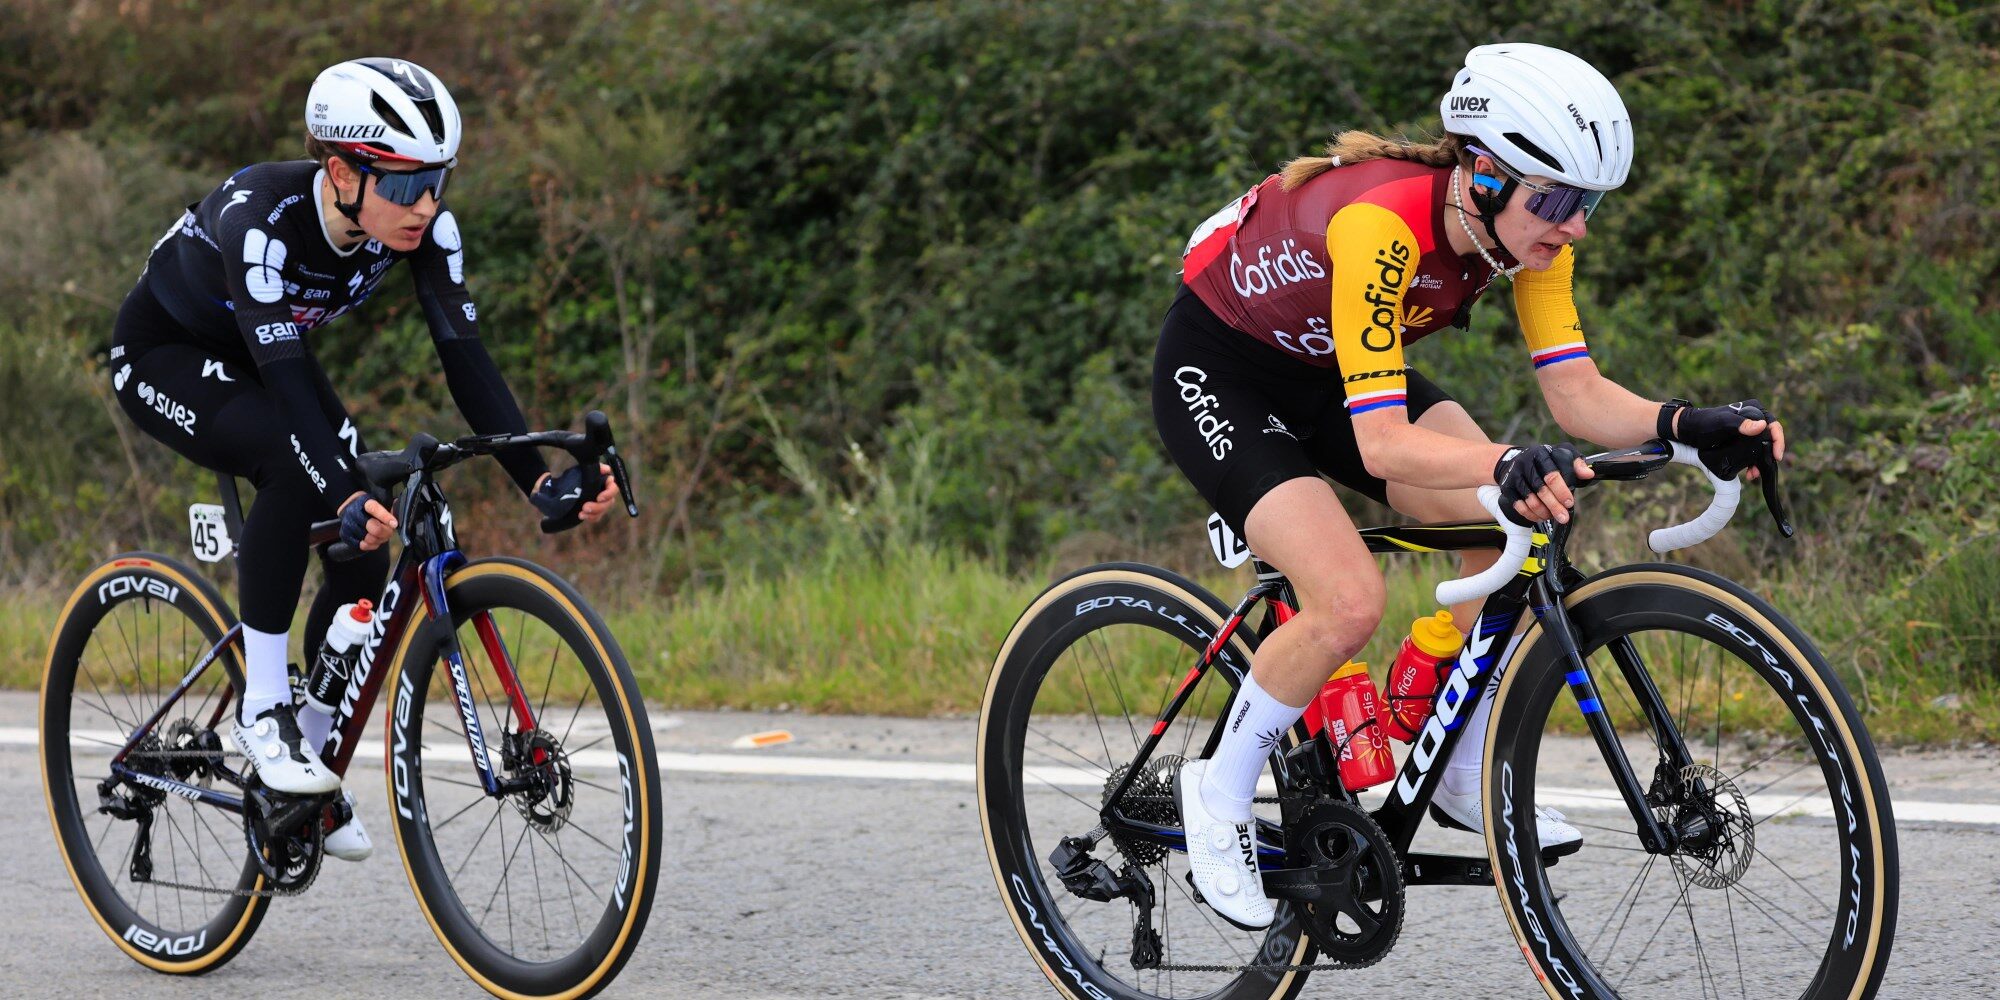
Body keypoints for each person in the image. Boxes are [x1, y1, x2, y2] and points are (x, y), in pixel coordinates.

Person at [1155, 42, 1785, 929]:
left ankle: (1451, 763)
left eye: (1590, 203)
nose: (1576, 226)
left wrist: (1685, 425)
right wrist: (1502, 461)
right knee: (1346, 598)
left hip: (1330, 370)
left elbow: (1576, 393)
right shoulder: (1383, 224)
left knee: (1513, 531)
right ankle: (1216, 792)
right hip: (1220, 373)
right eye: (1560, 201)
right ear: (1485, 175)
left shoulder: (1529, 238)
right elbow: (1384, 446)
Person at [109, 57, 620, 861]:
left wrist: (542, 479)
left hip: (267, 355)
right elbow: (282, 385)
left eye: (439, 180)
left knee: (365, 532)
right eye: (406, 183)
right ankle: (266, 711)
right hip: (165, 355)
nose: (427, 205)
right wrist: (333, 484)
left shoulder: (424, 229)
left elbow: (466, 360)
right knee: (296, 467)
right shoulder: (260, 218)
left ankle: (303, 761)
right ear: (342, 171)